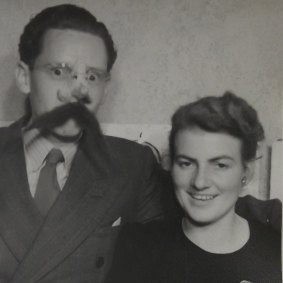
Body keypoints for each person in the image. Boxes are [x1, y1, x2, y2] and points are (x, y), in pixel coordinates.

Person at [0, 4, 163, 282]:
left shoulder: (133, 166)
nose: (78, 91)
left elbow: (172, 255)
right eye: (60, 71)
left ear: (106, 89)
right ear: (24, 77)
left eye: (92, 76)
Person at [107, 92, 282, 283]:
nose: (199, 182)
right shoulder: (138, 246)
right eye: (187, 163)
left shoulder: (276, 246)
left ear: (245, 174)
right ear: (171, 166)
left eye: (220, 165)